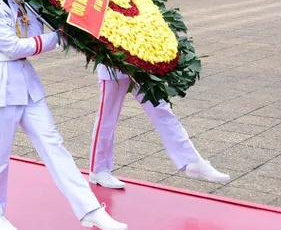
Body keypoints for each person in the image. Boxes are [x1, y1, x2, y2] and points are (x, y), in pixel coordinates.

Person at [0, 0, 126, 230]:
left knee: (55, 147)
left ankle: (90, 209)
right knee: (0, 156)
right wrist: (59, 37)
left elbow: (33, 30)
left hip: (27, 85)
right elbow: (16, 47)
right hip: (2, 87)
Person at [88, 66, 229, 189]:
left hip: (139, 65)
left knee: (162, 111)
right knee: (107, 118)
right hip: (113, 68)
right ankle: (98, 169)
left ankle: (191, 160)